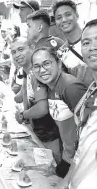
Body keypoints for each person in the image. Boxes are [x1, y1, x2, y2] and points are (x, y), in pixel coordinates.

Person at [51, 18, 97, 189]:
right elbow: (84, 145)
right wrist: (67, 181)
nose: (92, 47)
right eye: (86, 42)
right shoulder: (94, 88)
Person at [31, 47, 87, 178]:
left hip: (78, 163)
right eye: (37, 66)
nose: (42, 70)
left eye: (46, 63)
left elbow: (89, 129)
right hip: (67, 157)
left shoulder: (70, 87)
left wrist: (72, 166)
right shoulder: (51, 87)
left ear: (59, 63)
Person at [11, 37, 60, 163]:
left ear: (32, 48)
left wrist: (23, 115)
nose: (17, 55)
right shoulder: (27, 71)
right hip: (38, 131)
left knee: (52, 172)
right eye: (13, 52)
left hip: (49, 136)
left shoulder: (36, 72)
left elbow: (42, 108)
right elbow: (23, 92)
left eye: (21, 49)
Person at [52, 0, 93, 86]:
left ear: (77, 16)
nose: (64, 20)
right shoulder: (61, 53)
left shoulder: (95, 41)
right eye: (59, 18)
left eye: (68, 15)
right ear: (55, 22)